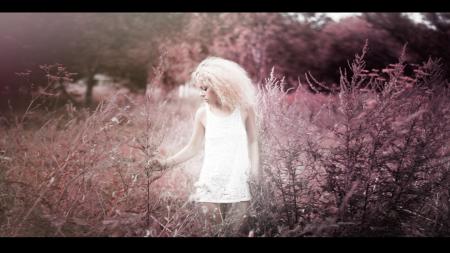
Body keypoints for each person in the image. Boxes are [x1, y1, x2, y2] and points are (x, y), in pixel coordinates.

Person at [149, 56, 261, 231]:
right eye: (199, 89)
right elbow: (192, 148)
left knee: (235, 233)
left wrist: (254, 170)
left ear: (220, 85)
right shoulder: (202, 114)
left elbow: (253, 141)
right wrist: (164, 164)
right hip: (211, 182)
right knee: (215, 233)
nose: (201, 93)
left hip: (238, 181)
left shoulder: (244, 109)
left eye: (205, 88)